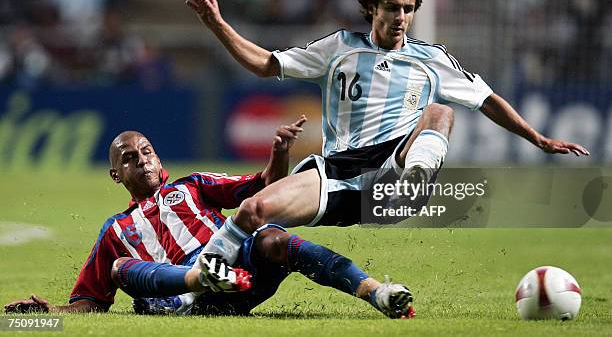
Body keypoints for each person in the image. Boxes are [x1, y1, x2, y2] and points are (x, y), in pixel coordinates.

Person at [184, 0, 590, 279]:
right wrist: (218, 26)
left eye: (408, 9)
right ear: (371, 8)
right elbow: (266, 64)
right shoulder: (340, 48)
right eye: (392, 7)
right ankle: (197, 278)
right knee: (252, 211)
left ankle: (416, 184)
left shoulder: (432, 60)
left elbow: (486, 100)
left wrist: (538, 139)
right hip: (337, 174)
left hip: (390, 173)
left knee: (439, 111)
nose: (401, 17)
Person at [4, 117, 415, 319]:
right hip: (176, 301)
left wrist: (278, 153)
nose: (142, 161)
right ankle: (196, 280)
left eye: (147, 152)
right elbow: (90, 304)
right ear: (117, 175)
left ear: (159, 159)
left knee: (272, 236)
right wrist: (50, 315)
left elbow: (265, 191)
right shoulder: (115, 230)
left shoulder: (193, 186)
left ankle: (376, 292)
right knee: (119, 267)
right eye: (130, 159)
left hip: (233, 278)